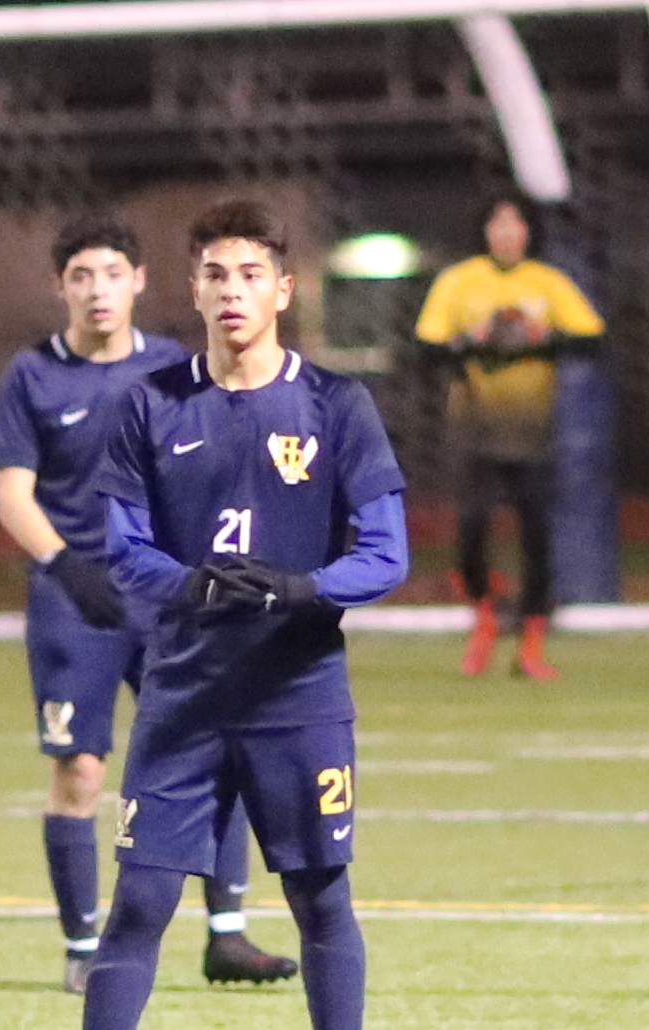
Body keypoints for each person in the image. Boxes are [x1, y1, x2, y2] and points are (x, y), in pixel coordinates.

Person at [84, 199, 408, 1030]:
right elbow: (123, 547)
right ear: (193, 291)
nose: (233, 290)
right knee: (139, 904)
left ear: (283, 291)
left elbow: (387, 554)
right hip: (183, 698)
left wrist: (302, 589)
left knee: (321, 900)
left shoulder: (336, 405)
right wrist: (191, 586)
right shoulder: (150, 405)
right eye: (216, 275)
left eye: (251, 275)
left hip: (298, 699)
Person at [0, 213, 298, 994]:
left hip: (167, 596)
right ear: (60, 286)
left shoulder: (172, 369)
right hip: (75, 603)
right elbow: (13, 494)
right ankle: (82, 948)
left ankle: (227, 935)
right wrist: (66, 567)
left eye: (113, 274)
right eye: (81, 276)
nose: (98, 290)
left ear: (140, 282)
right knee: (80, 772)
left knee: (216, 752)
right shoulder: (32, 375)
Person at [415, 191, 605, 679]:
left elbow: (590, 338)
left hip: (533, 433)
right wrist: (475, 345)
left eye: (515, 223)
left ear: (528, 231)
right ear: (484, 231)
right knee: (472, 529)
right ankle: (485, 617)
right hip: (475, 429)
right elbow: (429, 346)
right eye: (497, 223)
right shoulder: (459, 282)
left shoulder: (547, 283)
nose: (506, 232)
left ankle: (532, 647)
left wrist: (541, 341)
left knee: (537, 535)